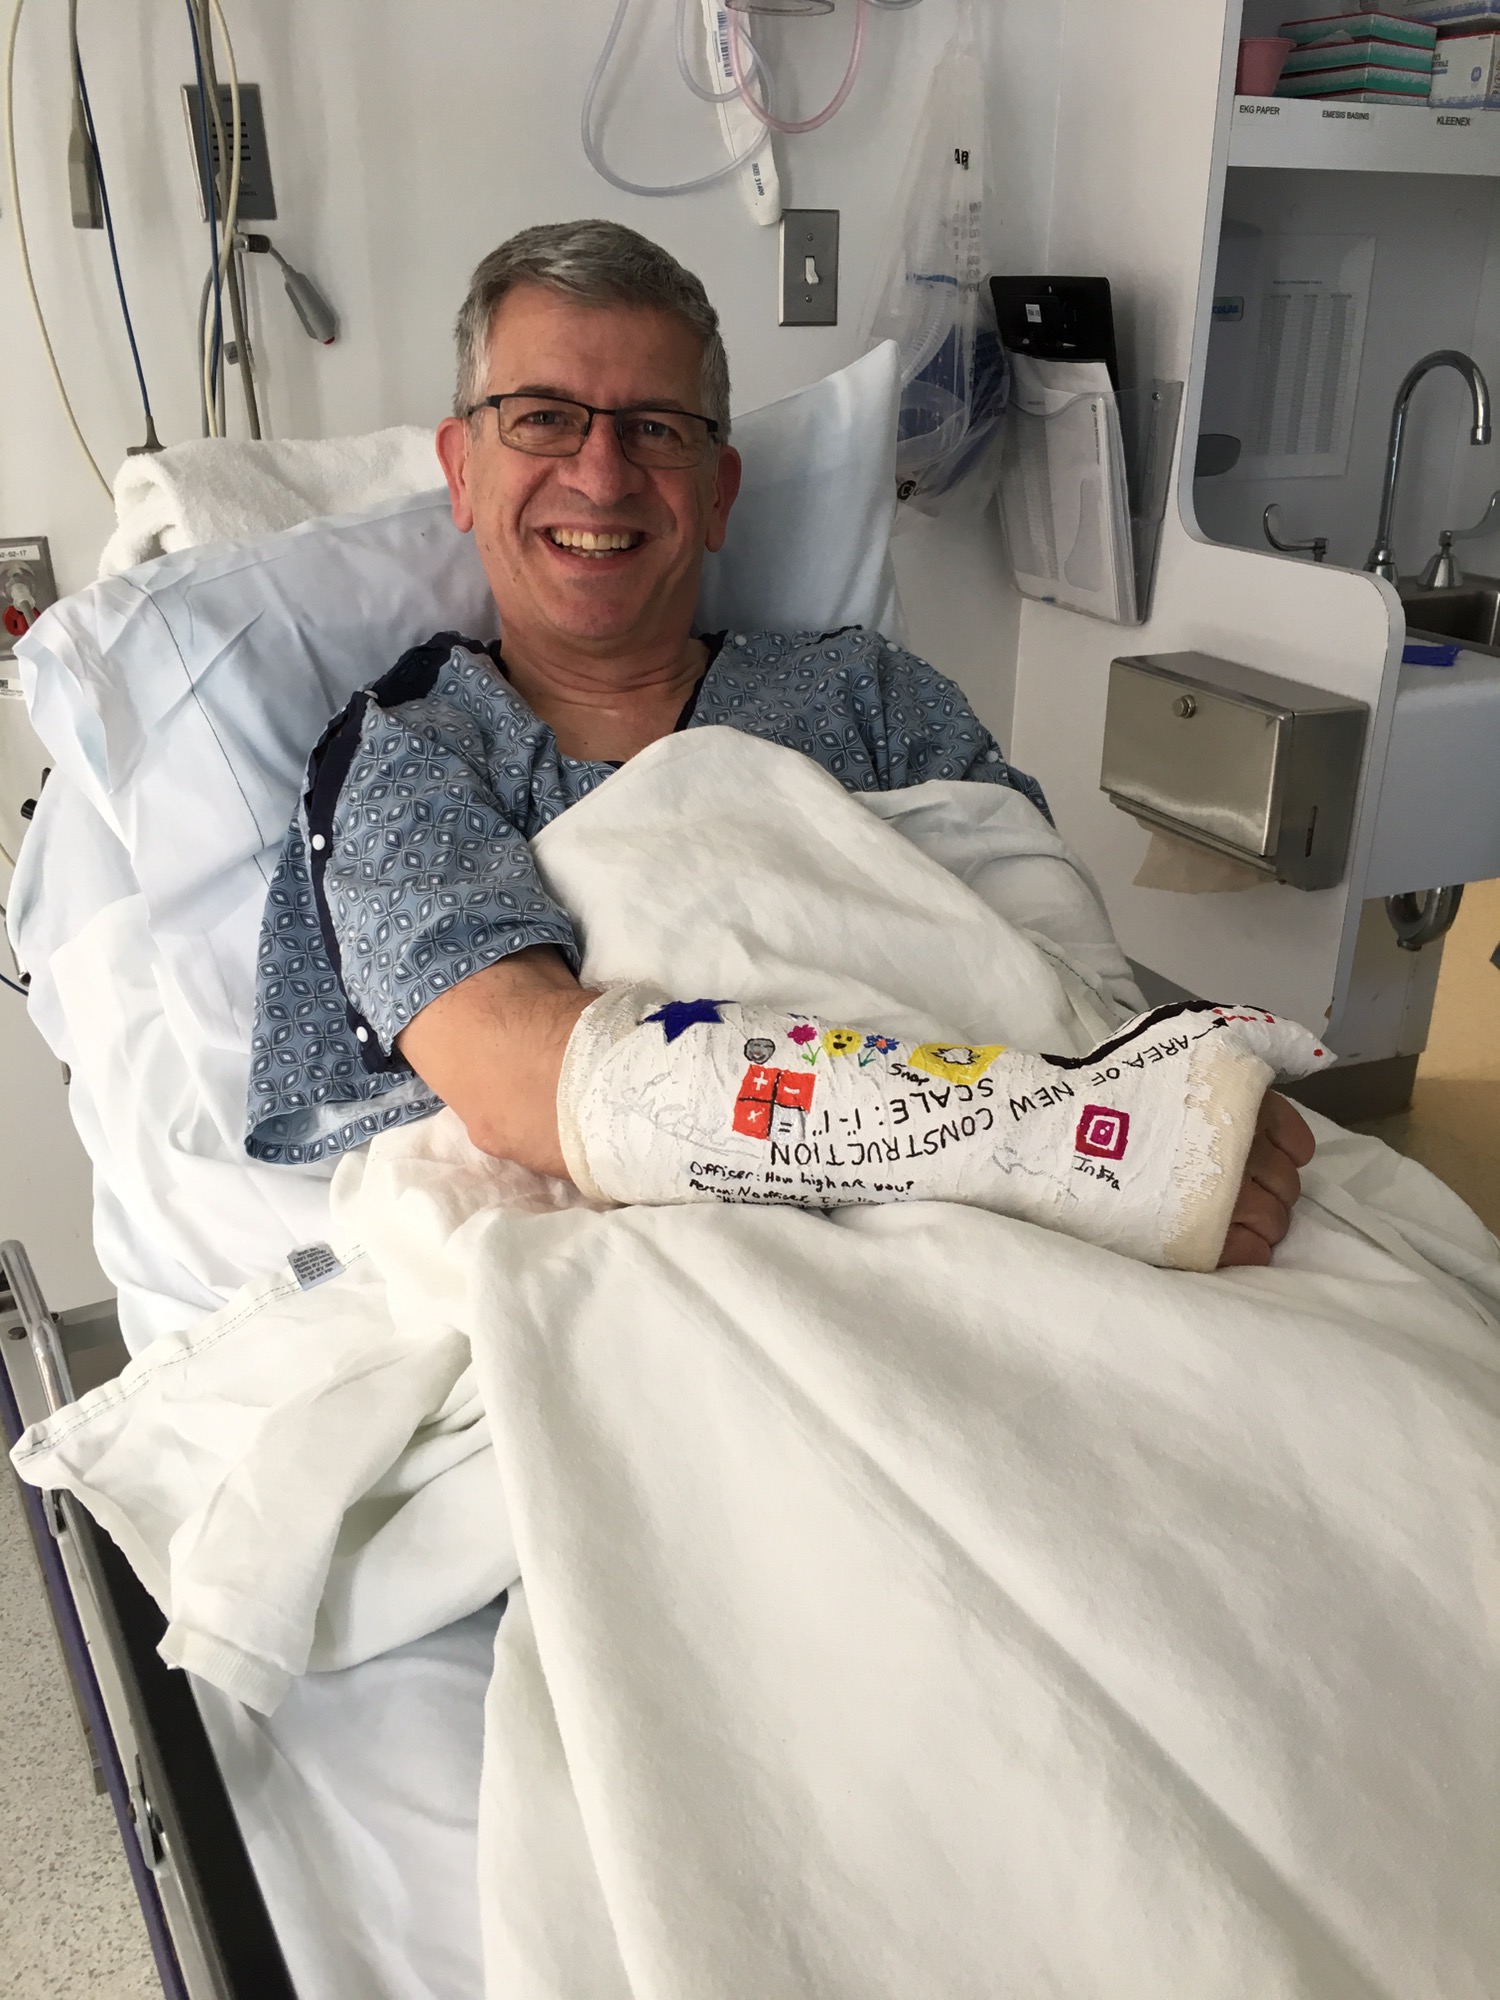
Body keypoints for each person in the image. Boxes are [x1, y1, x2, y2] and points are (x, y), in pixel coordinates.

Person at [246, 218, 1313, 1271]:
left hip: (1042, 1222)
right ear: (462, 470)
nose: (602, 475)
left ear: (717, 493)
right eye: (543, 419)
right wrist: (1075, 1146)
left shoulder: (869, 693)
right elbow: (525, 1079)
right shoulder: (411, 752)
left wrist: (1165, 1100)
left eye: (656, 428)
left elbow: (1060, 982)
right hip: (685, 1256)